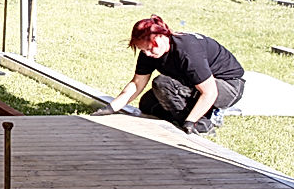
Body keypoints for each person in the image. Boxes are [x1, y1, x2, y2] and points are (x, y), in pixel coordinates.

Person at [95, 14, 245, 135]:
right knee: (148, 104)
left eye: (150, 49)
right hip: (195, 84)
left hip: (227, 86)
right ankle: (196, 114)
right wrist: (111, 108)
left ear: (161, 37)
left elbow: (210, 92)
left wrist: (190, 121)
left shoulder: (187, 50)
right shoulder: (149, 53)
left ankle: (202, 124)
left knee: (163, 84)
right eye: (143, 50)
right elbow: (137, 84)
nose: (147, 53)